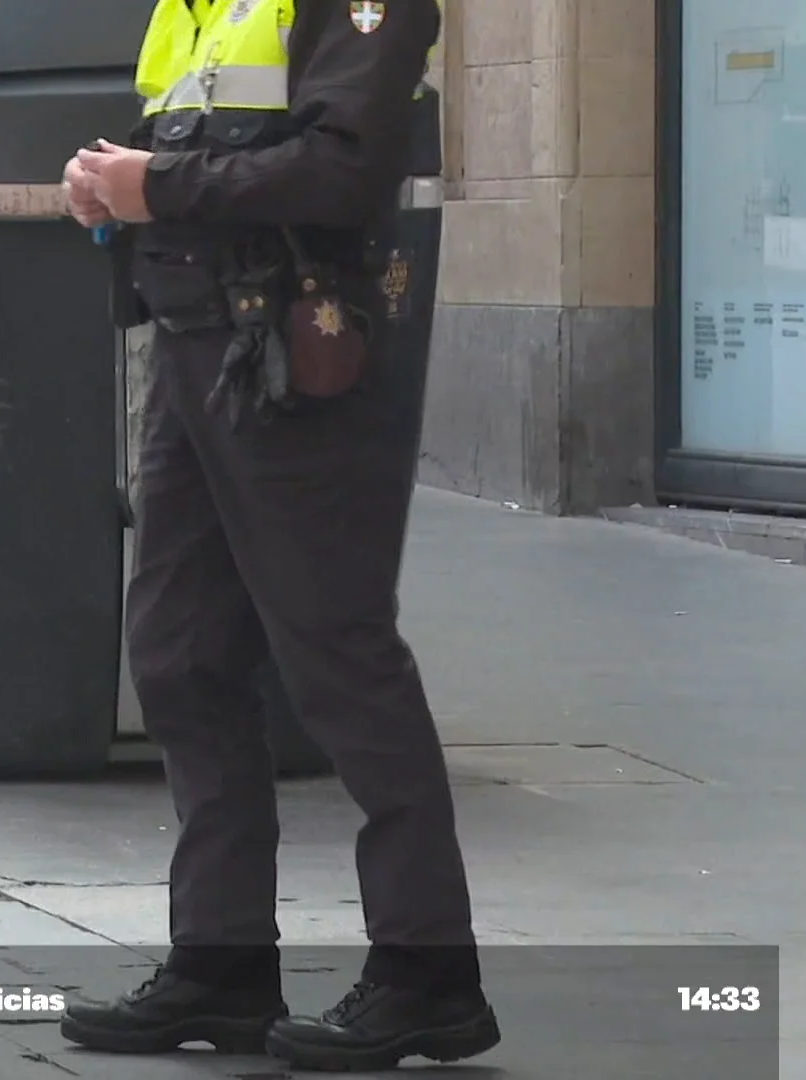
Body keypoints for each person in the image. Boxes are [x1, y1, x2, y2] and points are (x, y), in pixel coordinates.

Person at [56, 0, 501, 1071]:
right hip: (191, 344)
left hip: (289, 357)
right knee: (179, 655)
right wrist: (112, 185)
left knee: (338, 657)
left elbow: (345, 169)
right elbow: (199, 142)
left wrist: (156, 187)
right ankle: (220, 964)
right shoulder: (199, 6)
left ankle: (428, 974)